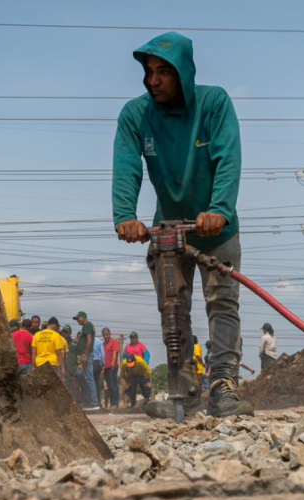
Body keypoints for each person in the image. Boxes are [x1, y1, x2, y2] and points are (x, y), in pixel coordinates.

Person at [112, 32, 250, 418]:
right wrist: (125, 215)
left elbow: (228, 158)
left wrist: (219, 209)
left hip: (216, 229)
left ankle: (223, 385)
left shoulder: (213, 103)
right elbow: (126, 166)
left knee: (222, 303)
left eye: (163, 72)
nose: (153, 80)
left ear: (184, 73)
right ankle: (183, 390)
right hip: (168, 230)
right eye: (149, 72)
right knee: (173, 310)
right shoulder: (136, 114)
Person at [73, 311, 99, 409]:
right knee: (84, 377)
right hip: (86, 353)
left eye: (78, 318)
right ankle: (89, 401)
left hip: (87, 354)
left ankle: (94, 403)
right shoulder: (86, 326)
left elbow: (89, 340)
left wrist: (86, 354)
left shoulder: (88, 325)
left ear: (83, 317)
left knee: (89, 378)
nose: (77, 321)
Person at [102, 328, 121, 408]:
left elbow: (115, 351)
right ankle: (112, 402)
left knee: (114, 384)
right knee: (109, 386)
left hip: (112, 366)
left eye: (107, 334)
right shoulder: (103, 344)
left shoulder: (114, 341)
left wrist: (113, 362)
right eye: (104, 335)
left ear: (110, 333)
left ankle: (115, 403)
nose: (106, 336)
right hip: (105, 367)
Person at [93, 336, 106, 407]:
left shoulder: (86, 340)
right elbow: (103, 355)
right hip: (97, 363)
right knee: (96, 383)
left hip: (89, 363)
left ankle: (92, 402)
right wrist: (103, 364)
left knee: (89, 383)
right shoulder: (99, 341)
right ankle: (98, 401)